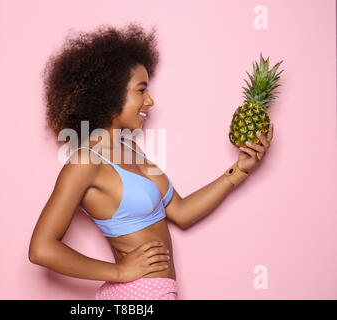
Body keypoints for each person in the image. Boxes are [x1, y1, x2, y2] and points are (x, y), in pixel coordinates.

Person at [28, 23, 273, 300]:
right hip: (135, 295)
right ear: (110, 93)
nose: (151, 101)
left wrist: (239, 170)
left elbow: (181, 212)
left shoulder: (132, 150)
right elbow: (41, 248)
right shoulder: (86, 162)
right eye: (141, 90)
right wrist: (118, 272)